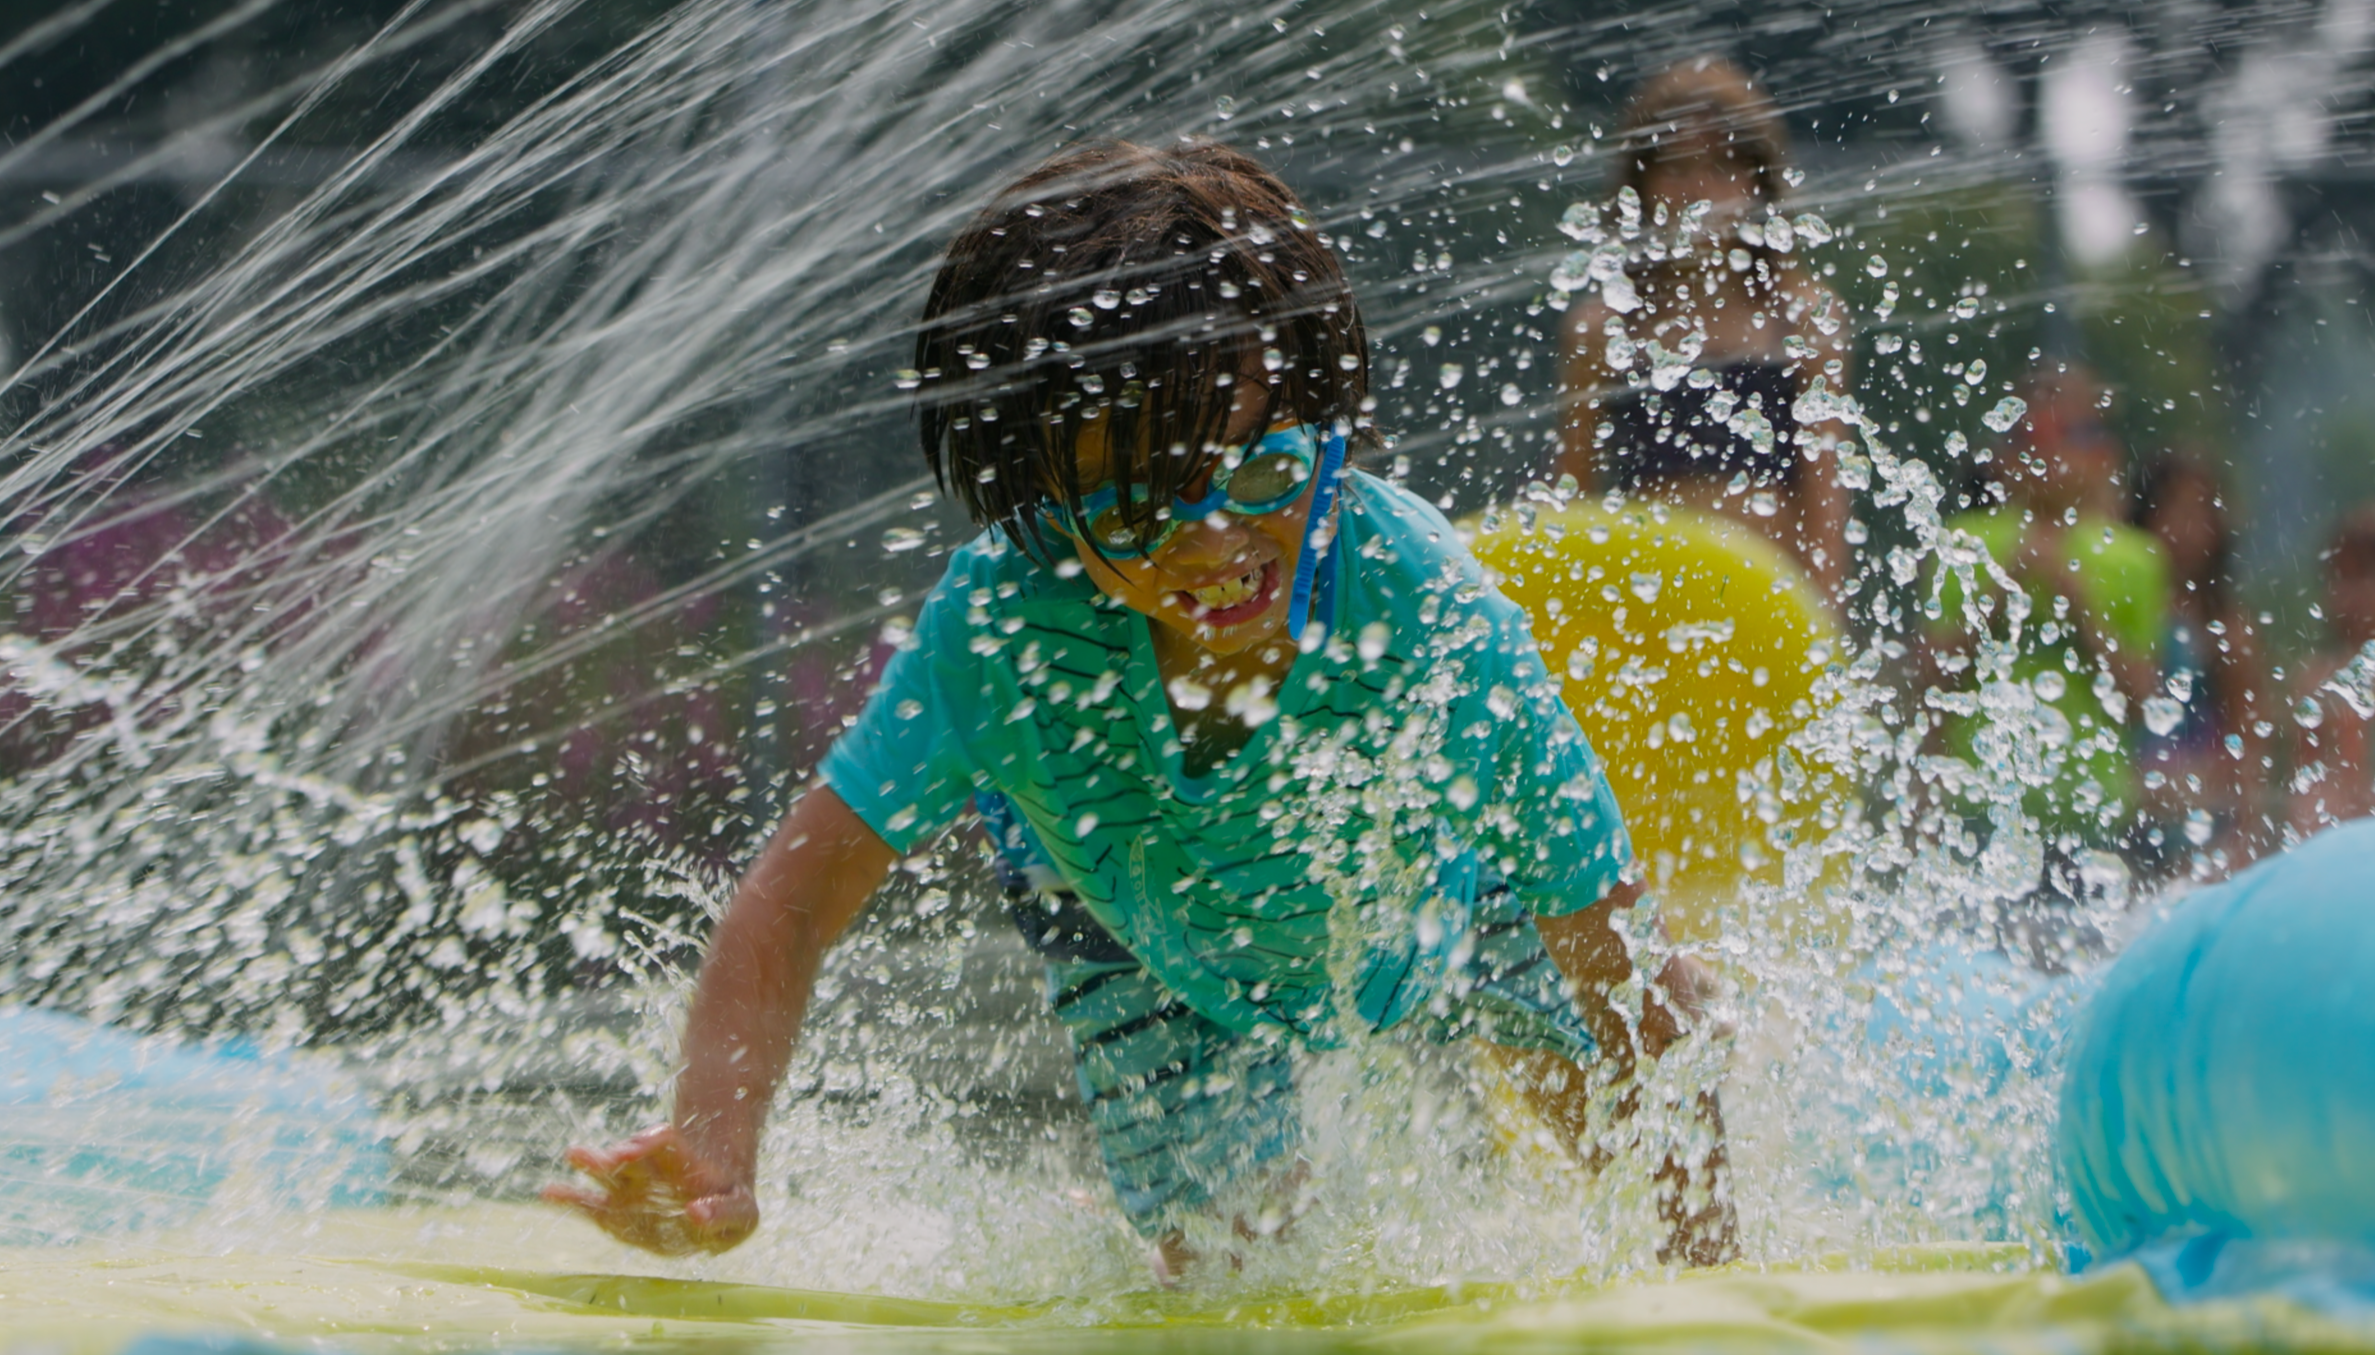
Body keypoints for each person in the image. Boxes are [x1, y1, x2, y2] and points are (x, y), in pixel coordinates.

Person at [546, 141, 1729, 1276]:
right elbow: (795, 900)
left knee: (1626, 1109)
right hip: (1132, 922)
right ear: (1038, 497)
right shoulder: (1003, 632)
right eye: (1133, 513)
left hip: (1445, 886)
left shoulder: (1428, 618)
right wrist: (713, 1151)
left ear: (1324, 413)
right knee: (1231, 1276)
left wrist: (1716, 1284)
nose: (1215, 549)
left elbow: (1619, 950)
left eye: (1262, 469)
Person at [1557, 58, 1854, 600]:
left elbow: (1825, 491)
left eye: (1722, 168)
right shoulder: (1603, 328)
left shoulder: (1804, 317)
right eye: (1676, 168)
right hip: (1651, 599)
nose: (1698, 190)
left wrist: (1826, 618)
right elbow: (1570, 494)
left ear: (1758, 182)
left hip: (1768, 598)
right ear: (1638, 185)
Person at [1921, 366, 2168, 964]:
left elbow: (2144, 699)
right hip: (1981, 805)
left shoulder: (2134, 558)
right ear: (2004, 457)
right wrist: (2006, 590)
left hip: (2092, 811)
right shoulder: (1965, 542)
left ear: (2101, 456)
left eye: (2070, 437)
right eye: (2030, 439)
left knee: (2087, 967)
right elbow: (1934, 680)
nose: (2049, 456)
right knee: (1977, 971)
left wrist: (2077, 601)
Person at [2130, 448, 2271, 875]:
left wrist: (2248, 832)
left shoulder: (2225, 624)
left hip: (2204, 807)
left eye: (2202, 514)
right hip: (2134, 803)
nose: (2187, 530)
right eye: (2174, 512)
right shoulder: (2131, 610)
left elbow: (2249, 727)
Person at [2289, 505, 2375, 834]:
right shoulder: (2317, 680)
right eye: (2338, 578)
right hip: (2344, 841)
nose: (2346, 595)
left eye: (2362, 577)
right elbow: (2307, 795)